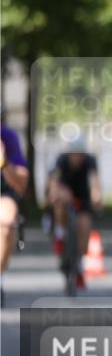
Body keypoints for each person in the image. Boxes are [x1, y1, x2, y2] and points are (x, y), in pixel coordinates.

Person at [47, 136, 102, 290]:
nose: (76, 157)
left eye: (79, 154)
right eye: (73, 153)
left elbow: (95, 180)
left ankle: (78, 263)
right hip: (65, 193)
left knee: (85, 227)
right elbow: (54, 180)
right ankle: (60, 234)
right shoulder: (61, 160)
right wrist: (53, 193)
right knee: (60, 205)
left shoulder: (90, 161)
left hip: (83, 195)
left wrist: (97, 196)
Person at [1, 123, 29, 306]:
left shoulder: (8, 137)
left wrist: (4, 163)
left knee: (8, 215)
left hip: (2, 196)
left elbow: (21, 183)